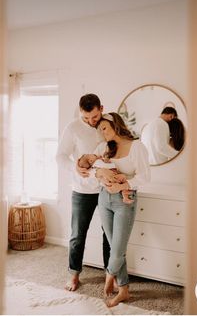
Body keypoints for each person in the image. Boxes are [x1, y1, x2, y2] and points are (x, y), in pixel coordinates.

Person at [94, 112, 150, 307]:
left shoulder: (137, 147)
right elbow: (95, 170)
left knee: (117, 249)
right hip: (104, 198)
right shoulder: (104, 148)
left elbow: (144, 177)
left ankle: (109, 275)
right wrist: (100, 173)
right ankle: (124, 289)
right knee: (113, 245)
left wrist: (123, 185)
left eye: (104, 128)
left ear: (115, 124)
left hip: (125, 199)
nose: (102, 133)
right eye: (99, 130)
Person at [56, 93, 110, 291]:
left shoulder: (109, 124)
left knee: (109, 235)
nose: (90, 121)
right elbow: (60, 156)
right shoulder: (73, 128)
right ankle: (73, 274)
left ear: (101, 108)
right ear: (80, 113)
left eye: (94, 117)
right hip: (82, 189)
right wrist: (74, 168)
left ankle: (109, 276)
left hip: (106, 188)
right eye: (85, 118)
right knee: (78, 234)